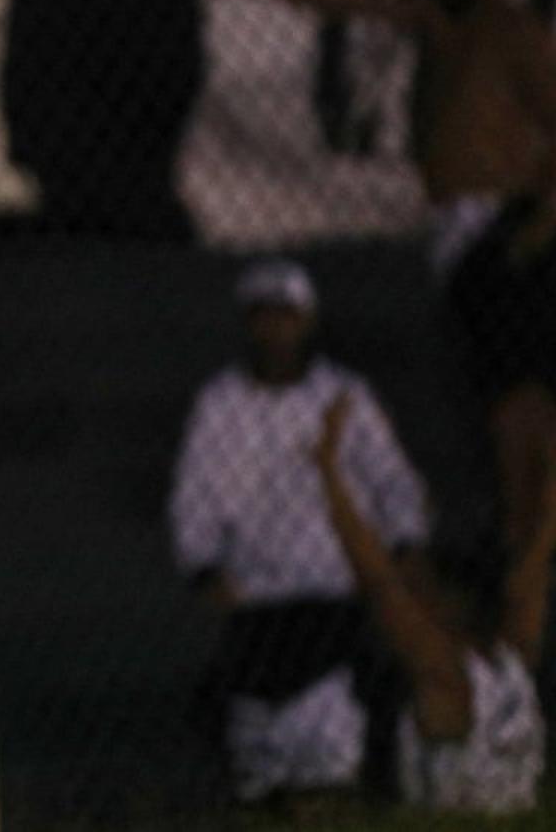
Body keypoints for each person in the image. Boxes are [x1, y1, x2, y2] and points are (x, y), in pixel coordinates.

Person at [208, 0, 556, 550]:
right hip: (463, 228)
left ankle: (525, 534)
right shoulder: (442, 21)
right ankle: (519, 527)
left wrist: (539, 220)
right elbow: (354, 1)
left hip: (501, 226)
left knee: (517, 393)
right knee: (493, 384)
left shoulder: (518, 35)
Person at [170, 259, 430, 808]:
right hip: (257, 593)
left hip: (339, 586)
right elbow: (193, 496)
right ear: (248, 324)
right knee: (253, 718)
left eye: (286, 317)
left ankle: (352, 790)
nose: (275, 330)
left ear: (307, 320)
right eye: (263, 317)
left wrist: (404, 542)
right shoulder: (220, 402)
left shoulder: (344, 394)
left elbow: (393, 478)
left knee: (348, 708)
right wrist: (203, 568)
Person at [312, 396, 553, 814]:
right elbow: (535, 559)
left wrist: (328, 471)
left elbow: (378, 582)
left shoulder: (445, 671)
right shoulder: (514, 651)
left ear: (455, 602)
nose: (419, 600)